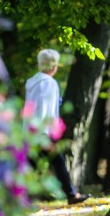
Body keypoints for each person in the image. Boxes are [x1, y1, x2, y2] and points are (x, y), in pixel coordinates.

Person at [24, 49, 89, 205]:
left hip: (30, 130)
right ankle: (71, 194)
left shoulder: (31, 82)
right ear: (54, 65)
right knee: (54, 162)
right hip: (41, 132)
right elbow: (46, 110)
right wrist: (48, 134)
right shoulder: (49, 83)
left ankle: (70, 193)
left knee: (31, 166)